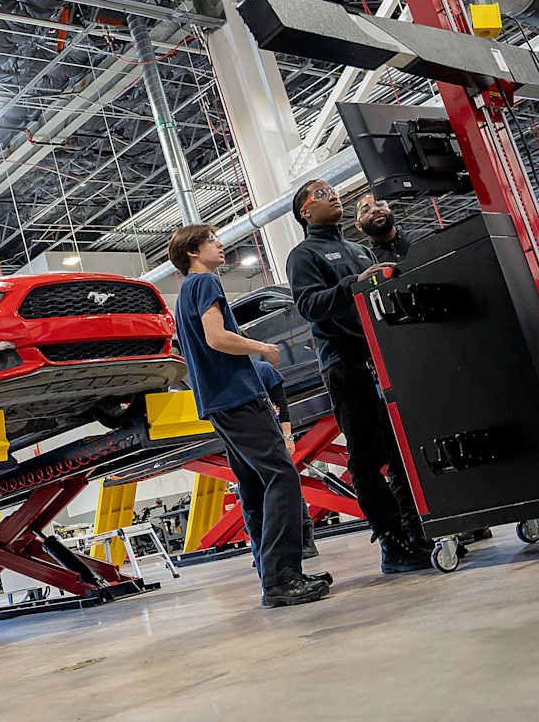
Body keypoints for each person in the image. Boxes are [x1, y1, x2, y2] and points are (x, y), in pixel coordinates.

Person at [354, 193, 539, 538]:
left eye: (379, 204)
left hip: (460, 344)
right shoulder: (365, 264)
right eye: (365, 209)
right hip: (416, 362)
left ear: (392, 210)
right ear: (358, 225)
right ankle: (471, 517)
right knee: (447, 436)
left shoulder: (425, 243)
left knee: (503, 419)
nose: (375, 210)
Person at [169, 223, 332, 608]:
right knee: (282, 476)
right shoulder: (204, 282)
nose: (220, 245)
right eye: (211, 240)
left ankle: (272, 573)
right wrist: (263, 348)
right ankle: (282, 578)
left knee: (255, 484)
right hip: (238, 395)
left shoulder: (185, 291)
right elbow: (217, 337)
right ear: (193, 251)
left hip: (218, 401)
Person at [287, 179, 431, 574]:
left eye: (334, 190)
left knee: (401, 451)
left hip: (380, 358)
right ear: (305, 212)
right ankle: (391, 541)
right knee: (367, 457)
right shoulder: (304, 255)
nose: (333, 195)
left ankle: (416, 530)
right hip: (344, 364)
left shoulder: (359, 250)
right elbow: (309, 305)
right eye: (321, 193)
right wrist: (352, 284)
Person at [252, 358, 319, 560]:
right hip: (250, 442)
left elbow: (281, 405)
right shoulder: (231, 375)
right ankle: (267, 549)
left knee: (288, 487)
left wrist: (288, 437)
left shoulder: (263, 370)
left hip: (273, 438)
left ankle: (305, 541)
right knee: (258, 494)